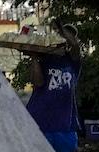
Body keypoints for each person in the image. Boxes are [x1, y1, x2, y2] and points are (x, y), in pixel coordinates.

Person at [25, 21, 82, 152]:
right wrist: (34, 58)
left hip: (64, 125)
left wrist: (61, 29)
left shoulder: (74, 61)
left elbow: (75, 45)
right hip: (40, 121)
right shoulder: (45, 59)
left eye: (66, 36)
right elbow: (38, 83)